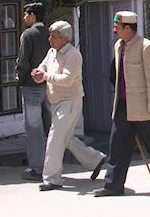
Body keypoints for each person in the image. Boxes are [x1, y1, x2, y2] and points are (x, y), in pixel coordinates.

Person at [94, 11, 150, 197]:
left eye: (117, 27)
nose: (114, 30)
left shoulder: (145, 47)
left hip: (142, 105)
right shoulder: (119, 46)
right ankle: (113, 185)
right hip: (123, 104)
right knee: (117, 145)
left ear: (128, 28)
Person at [31, 21, 107, 191]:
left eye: (54, 36)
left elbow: (67, 79)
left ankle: (52, 178)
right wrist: (38, 72)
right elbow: (43, 66)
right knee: (66, 138)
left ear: (65, 39)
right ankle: (95, 159)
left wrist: (44, 76)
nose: (50, 39)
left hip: (69, 101)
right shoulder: (52, 51)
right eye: (50, 35)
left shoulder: (73, 55)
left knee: (55, 138)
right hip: (57, 101)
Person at [16, 2, 51, 181]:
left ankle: (37, 167)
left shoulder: (28, 34)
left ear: (33, 16)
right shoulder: (50, 33)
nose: (24, 18)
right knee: (51, 126)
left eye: (26, 14)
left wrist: (20, 79)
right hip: (48, 84)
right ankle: (52, 164)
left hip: (32, 85)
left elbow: (23, 61)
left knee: (34, 128)